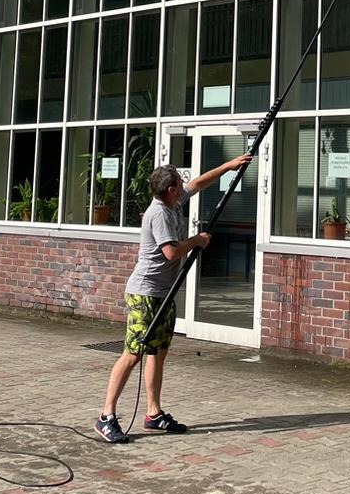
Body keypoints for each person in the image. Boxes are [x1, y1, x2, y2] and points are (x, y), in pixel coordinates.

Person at [96, 152, 253, 443]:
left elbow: (199, 183)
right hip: (145, 293)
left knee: (157, 352)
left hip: (164, 293)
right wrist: (197, 240)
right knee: (133, 353)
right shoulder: (159, 213)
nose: (184, 185)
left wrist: (229, 166)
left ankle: (153, 414)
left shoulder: (174, 201)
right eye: (180, 183)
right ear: (170, 190)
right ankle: (106, 416)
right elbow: (170, 252)